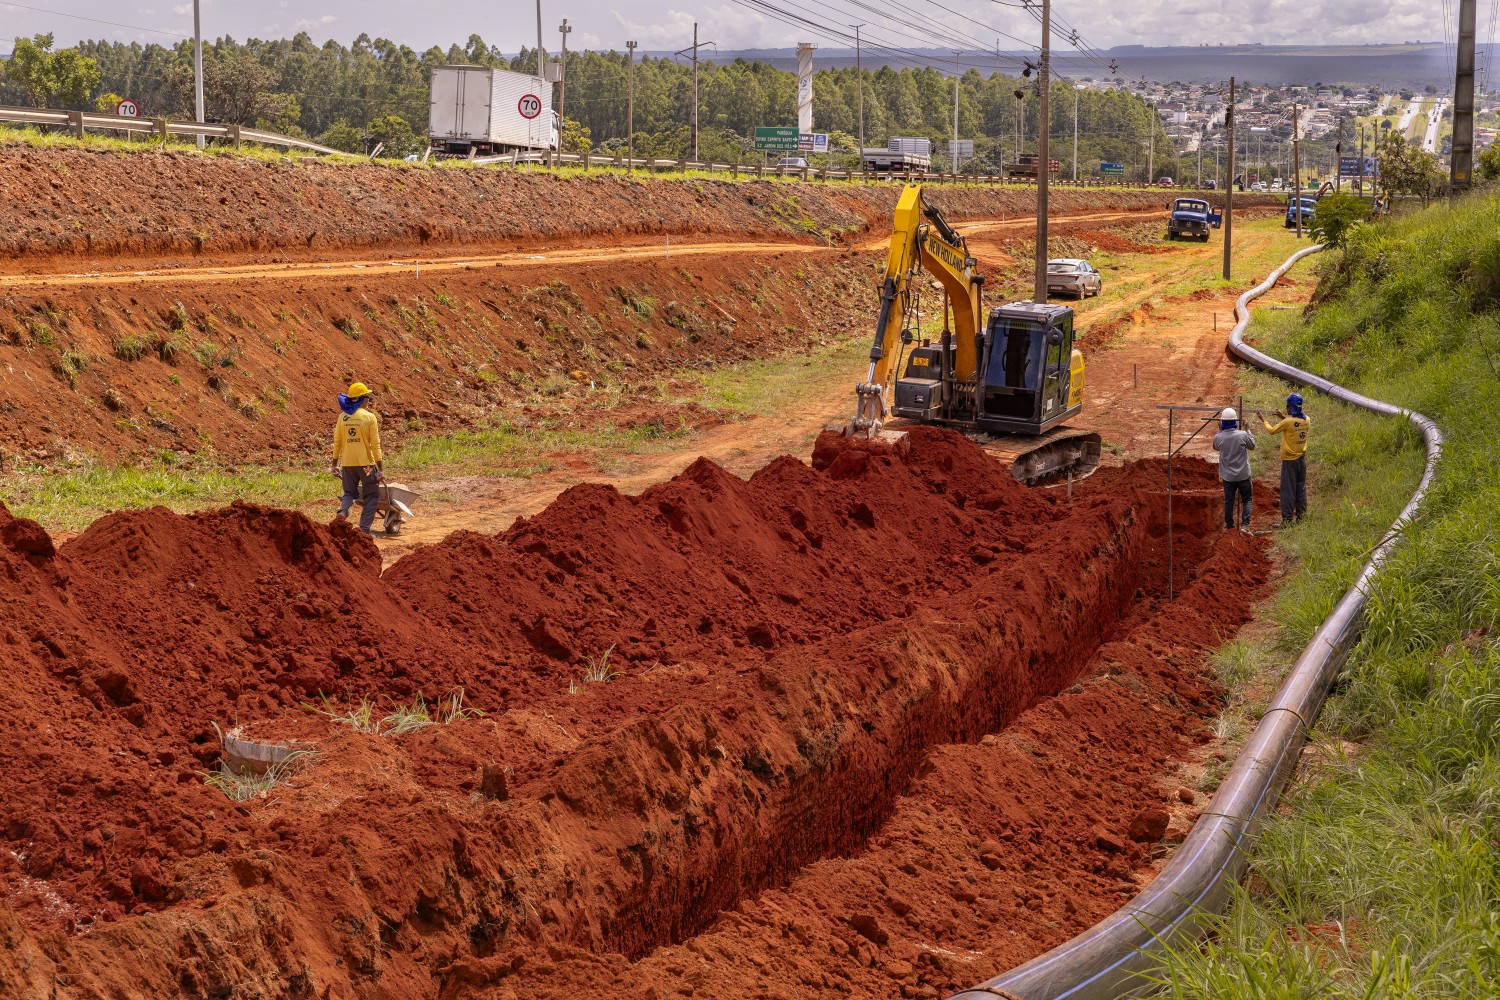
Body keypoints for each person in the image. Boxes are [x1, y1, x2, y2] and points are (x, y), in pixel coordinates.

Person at [330, 381, 383, 536]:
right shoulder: (369, 417)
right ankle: (364, 531)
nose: (368, 400)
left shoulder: (342, 417)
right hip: (366, 465)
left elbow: (337, 442)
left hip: (348, 465)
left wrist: (335, 464)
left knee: (349, 493)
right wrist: (380, 468)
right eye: (367, 396)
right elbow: (375, 444)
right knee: (371, 496)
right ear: (362, 399)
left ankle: (342, 513)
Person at [1259, 393, 1310, 526]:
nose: (1286, 408)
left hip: (1289, 461)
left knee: (1288, 490)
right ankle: (1301, 518)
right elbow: (1294, 425)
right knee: (1301, 490)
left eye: (1287, 406)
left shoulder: (1288, 422)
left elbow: (1272, 430)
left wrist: (1263, 420)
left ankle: (1287, 521)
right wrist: (1282, 416)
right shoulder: (1306, 420)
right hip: (1301, 460)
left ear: (1290, 407)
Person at [1211, 407, 1255, 533]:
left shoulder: (1219, 437)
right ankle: (1245, 526)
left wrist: (1219, 430)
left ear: (1223, 422)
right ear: (1235, 421)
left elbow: (1215, 447)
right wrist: (1247, 428)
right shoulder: (1242, 435)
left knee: (1229, 501)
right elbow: (1252, 446)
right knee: (1247, 500)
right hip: (1243, 475)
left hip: (1228, 477)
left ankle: (1229, 526)